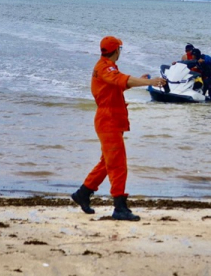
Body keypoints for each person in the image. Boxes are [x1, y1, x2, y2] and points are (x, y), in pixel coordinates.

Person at [71, 36, 167, 221]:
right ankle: (119, 207)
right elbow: (121, 80)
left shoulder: (108, 67)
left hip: (112, 119)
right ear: (117, 50)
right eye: (121, 48)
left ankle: (83, 193)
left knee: (107, 162)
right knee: (117, 164)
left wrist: (139, 80)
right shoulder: (106, 68)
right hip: (108, 120)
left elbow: (118, 85)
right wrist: (149, 82)